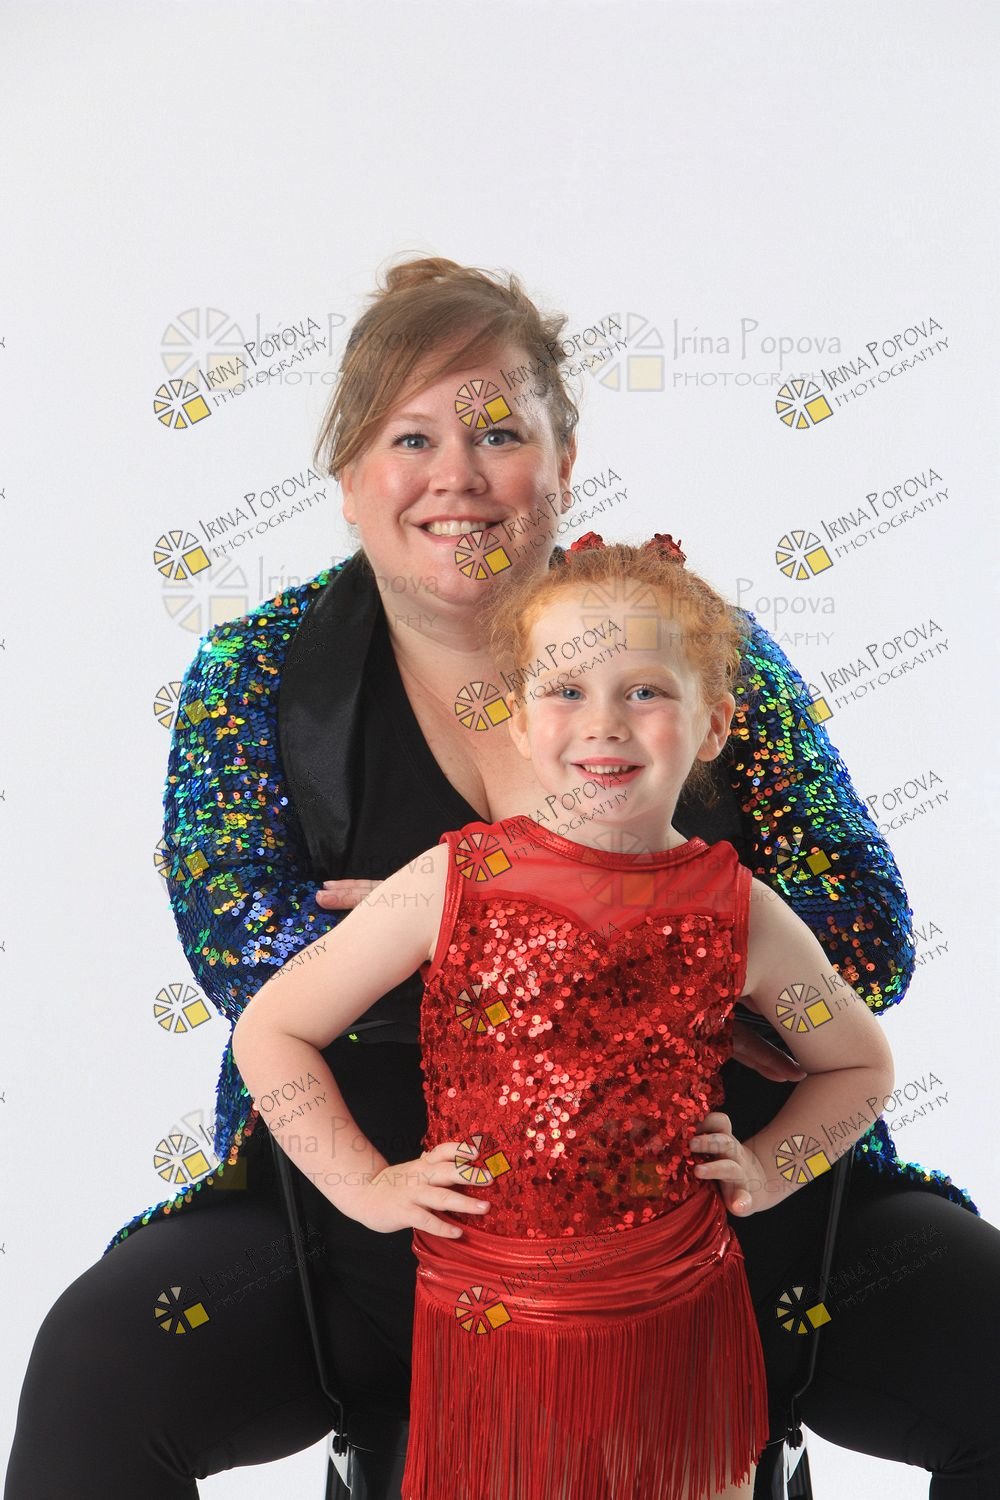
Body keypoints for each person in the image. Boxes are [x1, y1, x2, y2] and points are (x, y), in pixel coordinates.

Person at [4, 257, 996, 1500]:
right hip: (378, 1217)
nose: (457, 476)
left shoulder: (695, 645)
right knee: (102, 1363)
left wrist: (535, 939)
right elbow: (244, 954)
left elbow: (869, 936)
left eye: (499, 434)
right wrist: (510, 918)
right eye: (410, 437)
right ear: (350, 477)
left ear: (563, 461)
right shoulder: (255, 669)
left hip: (723, 1209)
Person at [231, 531, 896, 1500]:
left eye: (645, 691)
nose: (604, 725)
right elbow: (273, 1029)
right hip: (489, 1312)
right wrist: (364, 1185)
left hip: (677, 1313)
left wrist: (768, 1167)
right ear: (517, 718)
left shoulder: (739, 912)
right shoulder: (453, 881)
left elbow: (858, 1067)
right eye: (567, 690)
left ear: (713, 724)